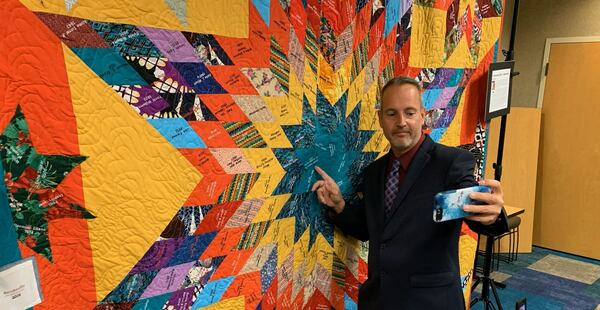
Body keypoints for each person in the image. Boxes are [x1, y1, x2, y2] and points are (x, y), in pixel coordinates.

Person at [311, 76, 508, 309]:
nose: (401, 121)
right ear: (381, 119)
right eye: (392, 113)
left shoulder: (451, 163)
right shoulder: (373, 173)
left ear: (423, 116)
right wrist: (340, 205)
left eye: (410, 112)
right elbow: (369, 229)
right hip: (380, 300)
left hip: (430, 303)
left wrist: (493, 216)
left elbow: (475, 209)